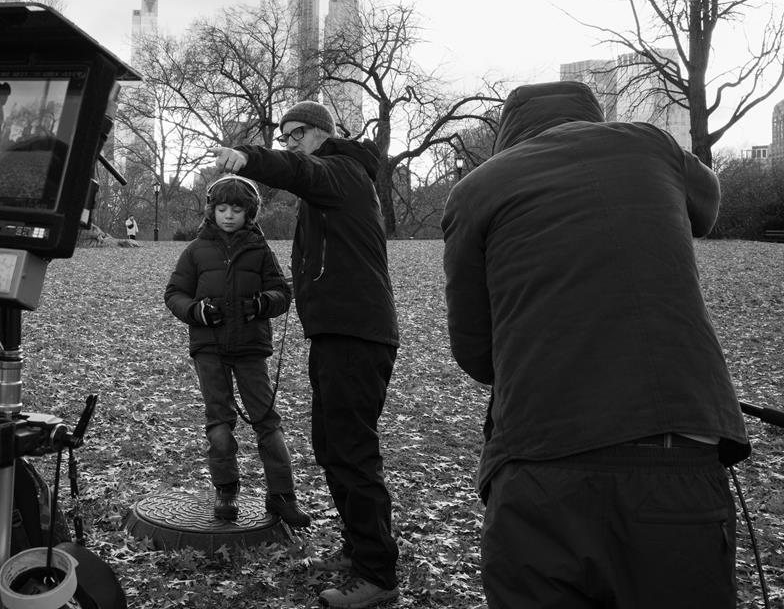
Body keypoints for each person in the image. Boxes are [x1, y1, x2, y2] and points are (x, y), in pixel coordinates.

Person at [441, 80, 752, 608]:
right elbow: (708, 206)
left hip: (538, 462)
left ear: (507, 134)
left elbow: (474, 350)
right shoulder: (649, 144)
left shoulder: (477, 188)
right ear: (595, 116)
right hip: (677, 448)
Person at [211, 101, 401, 608]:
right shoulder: (334, 179)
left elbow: (296, 169)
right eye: (283, 134)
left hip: (356, 333)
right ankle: (360, 548)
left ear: (320, 133)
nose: (289, 141)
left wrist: (246, 158)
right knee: (331, 444)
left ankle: (377, 574)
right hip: (336, 332)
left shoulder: (339, 170)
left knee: (351, 450)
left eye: (295, 133)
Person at [164, 174, 311, 528]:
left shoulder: (260, 251)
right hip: (209, 349)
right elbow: (174, 294)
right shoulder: (196, 250)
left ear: (250, 213)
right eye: (223, 208)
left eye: (238, 209)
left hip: (250, 349)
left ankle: (282, 495)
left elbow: (282, 294)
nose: (229, 215)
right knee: (219, 424)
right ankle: (226, 491)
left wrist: (261, 304)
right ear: (212, 211)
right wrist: (195, 310)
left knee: (267, 422)